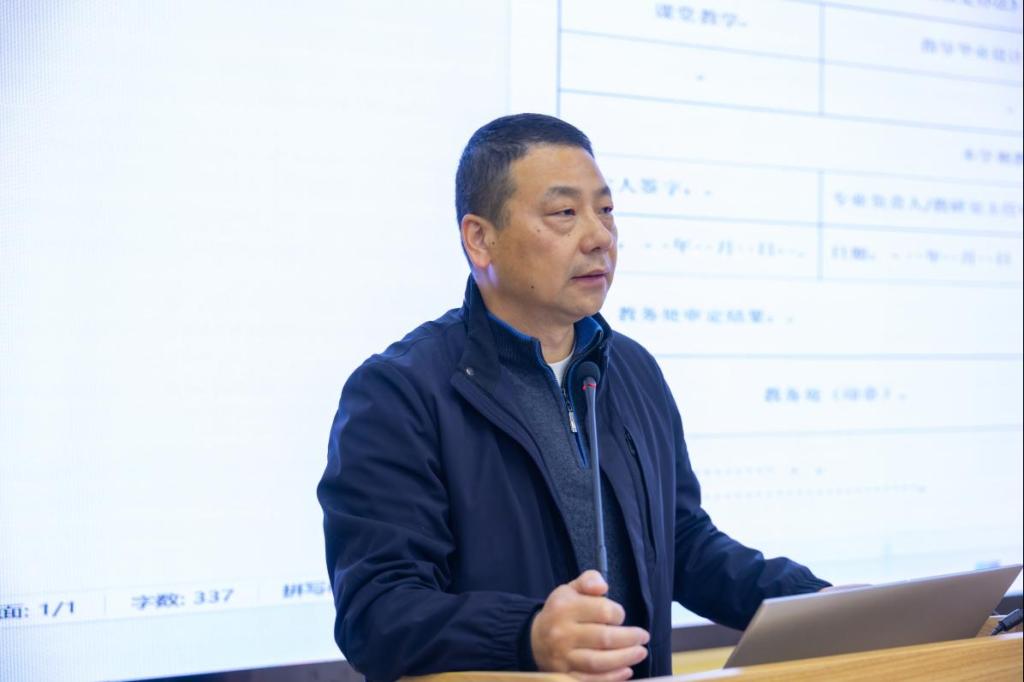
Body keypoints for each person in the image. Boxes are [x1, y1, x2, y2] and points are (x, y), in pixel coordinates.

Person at [317, 113, 831, 681]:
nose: (599, 237)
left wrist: (818, 604)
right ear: (480, 238)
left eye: (605, 211)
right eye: (565, 213)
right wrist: (527, 636)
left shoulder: (630, 369)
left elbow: (680, 545)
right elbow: (377, 613)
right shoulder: (399, 393)